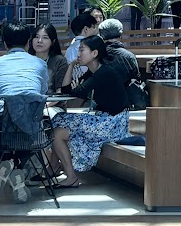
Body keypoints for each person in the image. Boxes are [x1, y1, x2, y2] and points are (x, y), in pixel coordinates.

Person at [50, 19, 139, 183]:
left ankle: (71, 177)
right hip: (104, 118)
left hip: (113, 123)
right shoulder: (94, 71)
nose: (78, 54)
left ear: (94, 53)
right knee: (57, 118)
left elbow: (75, 92)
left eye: (82, 50)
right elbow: (67, 90)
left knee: (57, 133)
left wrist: (71, 69)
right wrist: (71, 66)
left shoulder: (103, 73)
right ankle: (54, 167)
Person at [0, 22, 50, 114]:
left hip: (1, 120)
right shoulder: (41, 64)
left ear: (5, 44)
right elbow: (42, 92)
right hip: (32, 120)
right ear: (28, 43)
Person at [29, 24, 69, 93]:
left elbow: (59, 91)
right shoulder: (26, 59)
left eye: (45, 38)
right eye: (36, 37)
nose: (39, 41)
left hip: (50, 98)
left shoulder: (59, 61)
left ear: (53, 42)